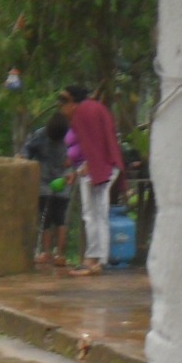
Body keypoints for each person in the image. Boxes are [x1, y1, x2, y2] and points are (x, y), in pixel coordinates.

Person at [59, 85, 124, 277]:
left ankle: (97, 260)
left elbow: (96, 143)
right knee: (92, 213)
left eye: (63, 103)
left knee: (97, 213)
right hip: (93, 167)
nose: (61, 109)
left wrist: (90, 165)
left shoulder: (84, 112)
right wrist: (79, 170)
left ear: (72, 103)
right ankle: (93, 257)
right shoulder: (90, 110)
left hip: (100, 166)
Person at [24, 114, 72, 267]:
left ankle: (60, 254)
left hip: (63, 181)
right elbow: (27, 150)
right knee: (46, 217)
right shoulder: (40, 135)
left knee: (60, 218)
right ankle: (46, 252)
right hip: (44, 183)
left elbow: (74, 158)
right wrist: (22, 157)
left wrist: (70, 174)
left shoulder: (69, 138)